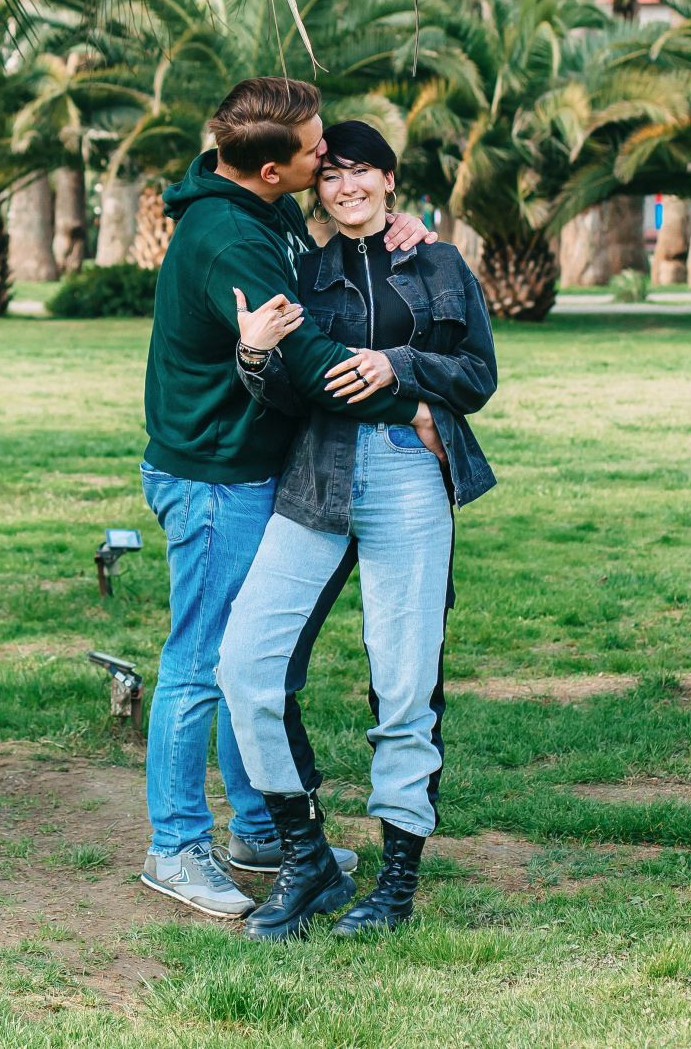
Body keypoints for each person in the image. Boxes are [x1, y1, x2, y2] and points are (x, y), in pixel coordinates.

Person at [136, 78, 433, 920]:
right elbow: (306, 365)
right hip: (214, 477)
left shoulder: (252, 202)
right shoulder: (231, 237)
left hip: (248, 465)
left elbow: (328, 266)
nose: (324, 159)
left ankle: (263, 826)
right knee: (203, 662)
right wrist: (409, 402)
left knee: (249, 659)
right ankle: (177, 842)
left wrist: (395, 231)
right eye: (313, 153)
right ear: (271, 169)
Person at [216, 119, 498, 939]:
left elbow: (478, 374)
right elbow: (286, 393)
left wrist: (399, 366)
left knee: (405, 680)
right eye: (330, 175)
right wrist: (257, 356)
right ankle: (308, 862)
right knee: (246, 662)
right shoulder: (304, 272)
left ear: (387, 179)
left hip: (410, 474)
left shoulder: (438, 260)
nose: (345, 187)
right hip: (318, 475)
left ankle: (396, 881)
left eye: (360, 172)